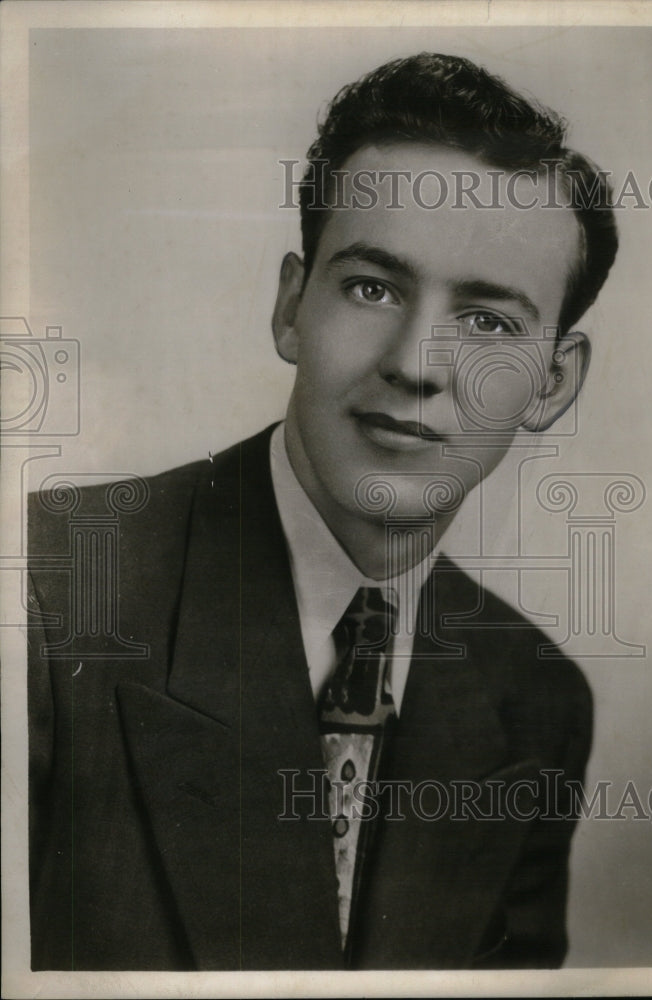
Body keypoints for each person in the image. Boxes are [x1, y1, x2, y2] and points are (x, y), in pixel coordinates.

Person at [27, 52, 618, 970]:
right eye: (372, 287)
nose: (416, 363)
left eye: (488, 321)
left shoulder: (535, 702)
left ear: (551, 384)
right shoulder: (45, 593)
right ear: (293, 306)